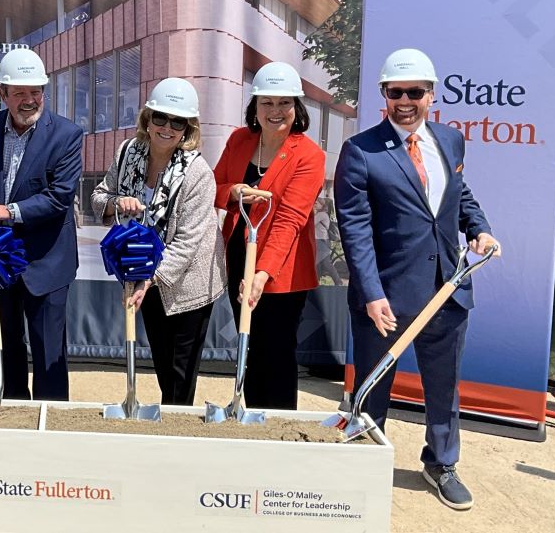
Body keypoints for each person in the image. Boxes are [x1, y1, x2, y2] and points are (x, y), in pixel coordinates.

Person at [335, 47, 501, 511]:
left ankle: (441, 463)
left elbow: (459, 194)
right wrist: (371, 293)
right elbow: (355, 229)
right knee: (373, 384)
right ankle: (364, 461)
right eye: (395, 92)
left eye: (414, 92)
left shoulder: (450, 141)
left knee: (443, 384)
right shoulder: (360, 151)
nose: (404, 100)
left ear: (431, 95)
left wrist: (480, 228)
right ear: (383, 95)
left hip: (447, 288)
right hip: (385, 295)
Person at [91, 78, 225, 405]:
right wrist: (115, 202)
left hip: (187, 283)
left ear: (187, 128)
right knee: (162, 362)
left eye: (177, 121)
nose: (167, 127)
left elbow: (187, 243)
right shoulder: (127, 153)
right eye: (160, 117)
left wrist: (150, 279)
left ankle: (178, 432)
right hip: (143, 274)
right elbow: (99, 196)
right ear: (147, 119)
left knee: (179, 372)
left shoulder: (197, 173)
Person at [0, 47, 82, 401]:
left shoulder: (67, 135)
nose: (30, 100)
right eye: (20, 93)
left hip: (47, 265)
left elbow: (59, 197)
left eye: (36, 91)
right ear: (2, 94)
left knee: (49, 360)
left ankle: (51, 430)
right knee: (5, 346)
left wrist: (6, 211)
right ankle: (10, 418)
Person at [213, 61, 325, 410]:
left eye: (284, 103)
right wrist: (234, 192)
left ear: (297, 107)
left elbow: (290, 219)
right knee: (250, 344)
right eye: (267, 103)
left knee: (275, 353)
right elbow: (213, 187)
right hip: (238, 257)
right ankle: (253, 422)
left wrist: (261, 274)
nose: (275, 111)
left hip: (281, 273)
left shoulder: (309, 155)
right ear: (255, 106)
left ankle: (278, 429)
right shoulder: (239, 140)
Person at [314, 193, 344, 285]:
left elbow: (311, 223)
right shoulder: (323, 214)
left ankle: (338, 282)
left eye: (316, 204)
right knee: (319, 263)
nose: (314, 205)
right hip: (321, 241)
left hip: (321, 241)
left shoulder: (322, 214)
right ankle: (317, 282)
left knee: (325, 263)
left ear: (322, 205)